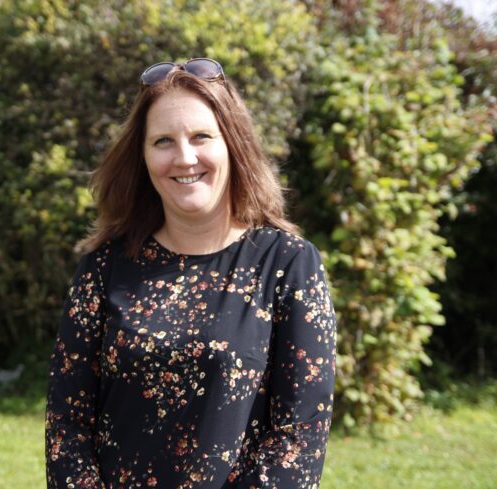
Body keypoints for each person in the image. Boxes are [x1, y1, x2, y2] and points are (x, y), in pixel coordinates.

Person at [45, 58, 337, 489]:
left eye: (201, 136)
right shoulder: (104, 268)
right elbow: (67, 424)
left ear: (231, 144)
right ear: (142, 156)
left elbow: (300, 435)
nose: (184, 158)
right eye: (163, 141)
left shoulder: (289, 265)